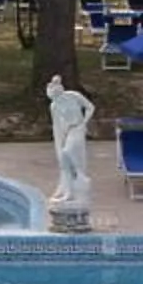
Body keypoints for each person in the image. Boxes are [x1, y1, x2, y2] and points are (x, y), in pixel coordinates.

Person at [45, 74, 94, 216]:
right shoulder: (54, 106)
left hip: (77, 127)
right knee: (64, 160)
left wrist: (84, 122)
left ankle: (80, 175)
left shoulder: (73, 96)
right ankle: (68, 191)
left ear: (60, 91)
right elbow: (57, 125)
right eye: (54, 97)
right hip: (68, 132)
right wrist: (60, 140)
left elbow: (90, 107)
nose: (56, 99)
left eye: (57, 95)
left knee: (68, 151)